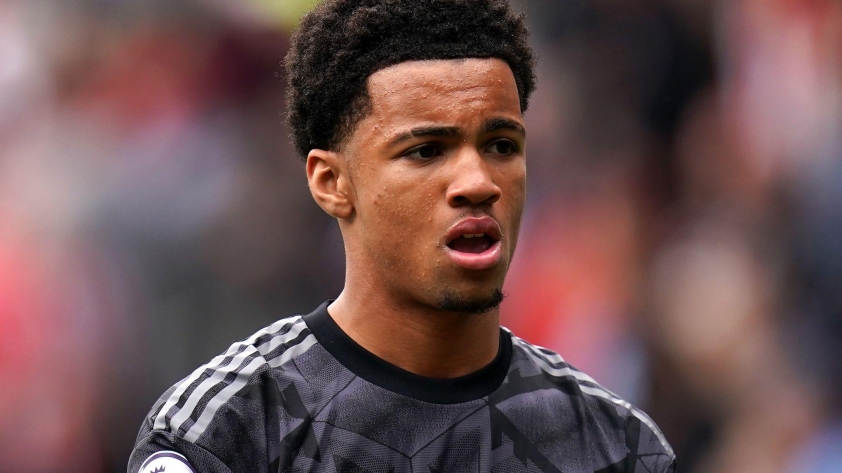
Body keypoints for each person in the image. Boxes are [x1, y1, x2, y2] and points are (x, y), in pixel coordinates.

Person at [128, 0, 676, 471]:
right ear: (332, 183)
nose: (478, 182)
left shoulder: (618, 447)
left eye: (502, 146)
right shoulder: (228, 432)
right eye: (426, 151)